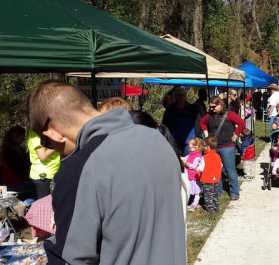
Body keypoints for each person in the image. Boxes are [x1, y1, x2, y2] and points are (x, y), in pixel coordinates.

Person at [28, 81, 185, 264]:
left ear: (54, 133)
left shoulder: (79, 168)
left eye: (46, 142)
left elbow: (70, 258)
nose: (53, 150)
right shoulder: (156, 139)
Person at [200, 96, 245, 200]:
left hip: (227, 146)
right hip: (214, 147)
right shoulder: (209, 115)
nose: (212, 109)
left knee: (230, 170)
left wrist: (236, 134)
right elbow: (202, 123)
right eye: (210, 107)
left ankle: (234, 192)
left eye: (214, 107)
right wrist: (206, 132)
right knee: (216, 169)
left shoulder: (230, 114)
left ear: (220, 105)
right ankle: (218, 190)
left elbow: (241, 123)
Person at [162, 87, 200, 154]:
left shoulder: (193, 109)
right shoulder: (169, 110)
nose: (180, 97)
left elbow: (197, 123)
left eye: (182, 95)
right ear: (175, 97)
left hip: (189, 142)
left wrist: (197, 136)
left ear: (185, 96)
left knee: (189, 162)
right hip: (173, 141)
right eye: (178, 95)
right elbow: (164, 124)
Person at [26, 129, 60, 199]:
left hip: (53, 173)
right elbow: (43, 156)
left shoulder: (48, 131)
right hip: (44, 176)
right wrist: (59, 145)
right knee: (45, 207)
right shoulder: (35, 133)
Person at [200, 137, 222, 213]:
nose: (203, 148)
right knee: (215, 194)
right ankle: (216, 208)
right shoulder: (217, 156)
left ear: (208, 147)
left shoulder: (204, 157)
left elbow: (201, 168)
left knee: (208, 195)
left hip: (207, 179)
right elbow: (221, 165)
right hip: (216, 179)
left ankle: (210, 210)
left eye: (204, 146)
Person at [181, 138, 205, 210]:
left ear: (196, 147)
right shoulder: (191, 154)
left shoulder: (198, 156)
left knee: (197, 191)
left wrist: (186, 163)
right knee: (191, 189)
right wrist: (181, 158)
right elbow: (185, 158)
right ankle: (192, 202)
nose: (189, 148)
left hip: (195, 176)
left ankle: (195, 204)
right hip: (189, 175)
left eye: (190, 146)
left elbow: (193, 166)